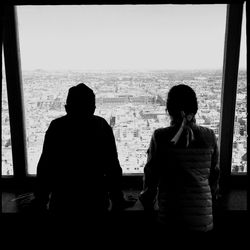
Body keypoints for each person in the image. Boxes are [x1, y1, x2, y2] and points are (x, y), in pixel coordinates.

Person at [32, 83, 135, 223]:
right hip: (95, 201)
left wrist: (40, 200)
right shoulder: (102, 126)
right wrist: (118, 198)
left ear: (67, 108)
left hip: (63, 201)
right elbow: (113, 168)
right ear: (93, 109)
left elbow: (45, 167)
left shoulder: (57, 127)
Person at [139, 84, 220, 233]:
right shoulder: (209, 136)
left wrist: (146, 202)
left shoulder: (160, 137)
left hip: (170, 217)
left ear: (168, 110)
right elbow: (214, 175)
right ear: (195, 108)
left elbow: (151, 176)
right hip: (202, 219)